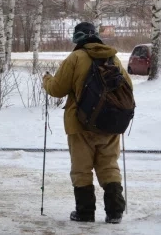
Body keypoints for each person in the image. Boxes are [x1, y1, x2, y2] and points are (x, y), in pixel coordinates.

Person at [42, 22, 132, 224]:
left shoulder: (75, 58)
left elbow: (57, 89)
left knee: (81, 168)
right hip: (110, 124)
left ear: (78, 39)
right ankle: (115, 211)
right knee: (109, 165)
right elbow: (128, 87)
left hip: (80, 124)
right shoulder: (113, 57)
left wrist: (46, 80)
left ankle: (85, 212)